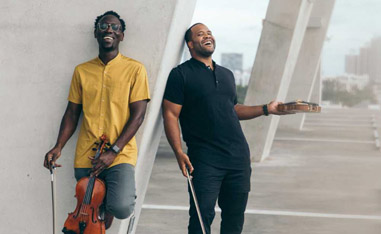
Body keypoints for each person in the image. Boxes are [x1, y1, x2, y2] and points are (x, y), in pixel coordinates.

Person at [162, 23, 287, 234]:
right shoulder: (180, 74)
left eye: (209, 33)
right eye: (200, 34)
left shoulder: (227, 74)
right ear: (190, 44)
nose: (207, 36)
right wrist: (178, 152)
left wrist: (267, 109)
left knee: (234, 219)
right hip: (205, 160)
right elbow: (170, 115)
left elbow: (234, 109)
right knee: (201, 218)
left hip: (238, 158)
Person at [43, 11, 150, 230]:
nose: (109, 30)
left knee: (120, 206)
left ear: (122, 36)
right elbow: (72, 113)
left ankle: (108, 207)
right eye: (103, 26)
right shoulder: (81, 71)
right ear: (96, 33)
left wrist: (113, 151)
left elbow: (138, 115)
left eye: (115, 27)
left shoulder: (135, 69)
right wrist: (58, 146)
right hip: (87, 156)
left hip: (120, 156)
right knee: (85, 215)